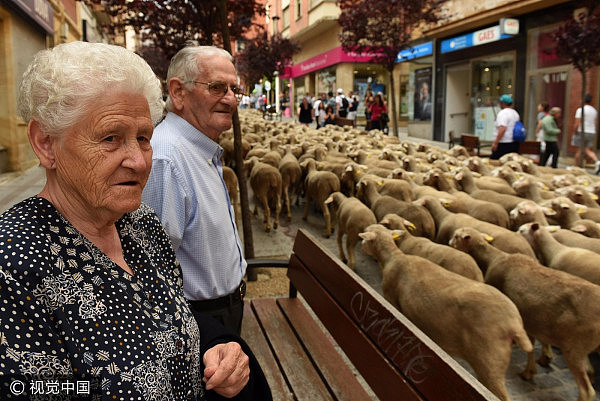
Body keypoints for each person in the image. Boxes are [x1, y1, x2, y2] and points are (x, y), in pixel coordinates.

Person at [3, 40, 270, 400]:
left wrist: (216, 344)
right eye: (111, 138)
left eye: (144, 138)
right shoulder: (13, 262)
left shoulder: (139, 223)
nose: (140, 161)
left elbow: (173, 317)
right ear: (46, 144)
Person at [142, 43, 252, 339]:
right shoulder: (167, 158)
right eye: (216, 87)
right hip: (199, 321)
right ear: (177, 92)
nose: (230, 99)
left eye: (234, 89)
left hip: (222, 311)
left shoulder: (198, 150)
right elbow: (151, 269)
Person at [571, 93, 600, 173]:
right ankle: (597, 161)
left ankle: (575, 167)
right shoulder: (594, 111)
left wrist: (574, 131)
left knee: (579, 150)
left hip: (582, 131)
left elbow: (577, 122)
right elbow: (595, 122)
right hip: (591, 131)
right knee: (587, 149)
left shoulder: (580, 110)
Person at [491, 94, 521, 160]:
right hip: (514, 143)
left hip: (503, 143)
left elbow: (502, 128)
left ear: (502, 103)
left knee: (494, 163)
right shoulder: (515, 113)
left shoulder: (502, 113)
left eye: (500, 102)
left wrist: (495, 143)